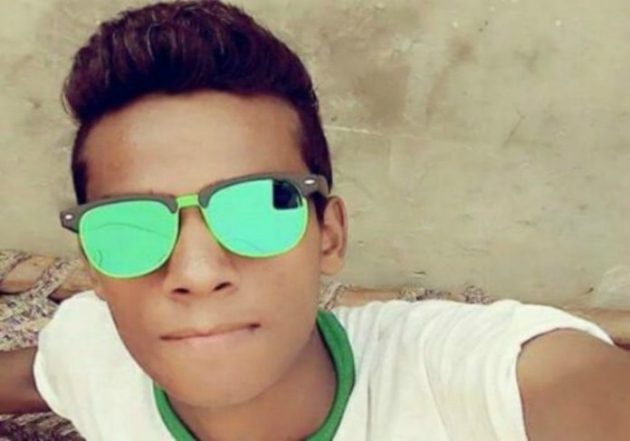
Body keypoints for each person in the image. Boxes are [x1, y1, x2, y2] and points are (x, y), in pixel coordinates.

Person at [2, 1, 630, 440]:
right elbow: (36, 375)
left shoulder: (472, 383)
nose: (195, 272)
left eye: (257, 207)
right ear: (93, 267)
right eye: (127, 227)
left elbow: (569, 385)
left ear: (329, 235)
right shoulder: (93, 350)